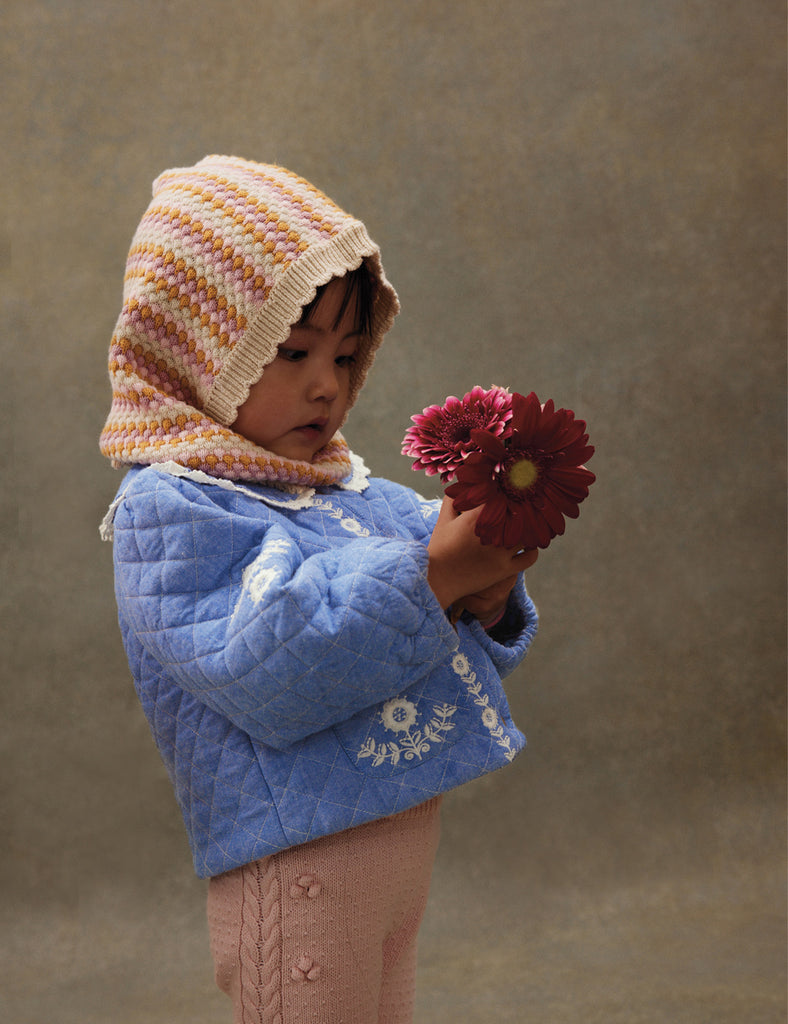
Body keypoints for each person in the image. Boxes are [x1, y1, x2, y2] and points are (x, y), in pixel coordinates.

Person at [99, 155, 538, 1023]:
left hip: (395, 839)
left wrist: (487, 591)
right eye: (291, 352)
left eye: (345, 353)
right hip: (299, 858)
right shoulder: (173, 509)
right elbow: (274, 659)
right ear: (194, 353)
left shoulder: (346, 490)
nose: (327, 384)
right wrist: (438, 574)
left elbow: (437, 618)